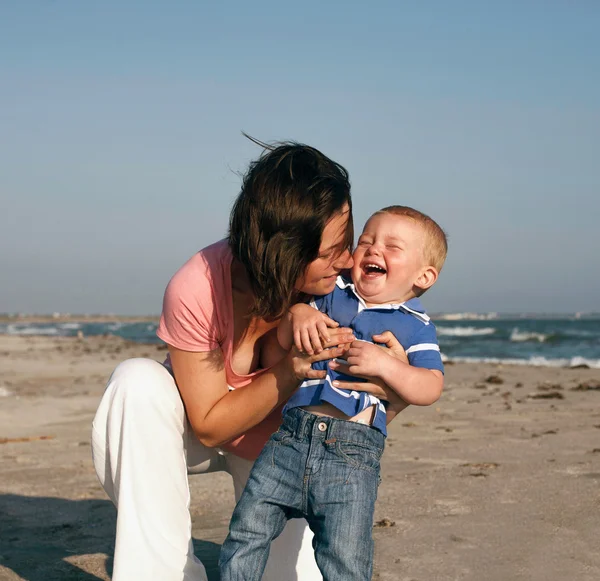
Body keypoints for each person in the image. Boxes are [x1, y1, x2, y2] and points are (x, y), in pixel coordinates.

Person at [91, 138, 407, 581]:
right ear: (285, 252)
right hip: (197, 432)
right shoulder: (197, 285)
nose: (348, 260)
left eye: (349, 243)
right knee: (135, 383)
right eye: (332, 250)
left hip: (284, 456)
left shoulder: (343, 295)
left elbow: (372, 400)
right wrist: (290, 369)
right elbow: (209, 424)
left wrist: (392, 385)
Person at [219, 205, 447, 581]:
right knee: (247, 531)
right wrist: (296, 316)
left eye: (392, 246)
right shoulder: (332, 293)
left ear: (424, 275)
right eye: (367, 241)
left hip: (351, 452)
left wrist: (386, 365)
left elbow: (430, 386)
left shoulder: (415, 326)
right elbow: (282, 336)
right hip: (290, 438)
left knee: (344, 558)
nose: (373, 250)